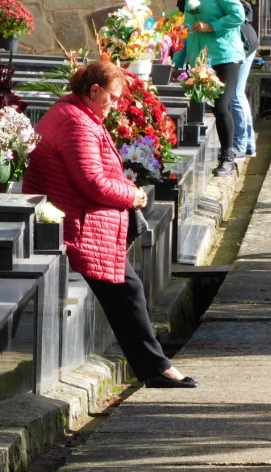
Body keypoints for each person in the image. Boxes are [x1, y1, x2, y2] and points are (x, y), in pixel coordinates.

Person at [22, 61, 198, 389]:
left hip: (78, 217)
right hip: (78, 224)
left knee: (127, 290)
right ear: (93, 91)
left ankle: (155, 367)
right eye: (113, 98)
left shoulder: (76, 113)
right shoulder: (76, 122)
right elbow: (91, 181)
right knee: (127, 291)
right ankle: (157, 369)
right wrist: (131, 196)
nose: (115, 105)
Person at [174, 0, 245, 177]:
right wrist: (177, 62)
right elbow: (186, 30)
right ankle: (225, 152)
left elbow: (238, 15)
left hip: (225, 56)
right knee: (214, 105)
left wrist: (210, 26)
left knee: (221, 105)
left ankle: (227, 156)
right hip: (202, 59)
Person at [232, 0, 260, 159]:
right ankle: (248, 144)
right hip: (246, 40)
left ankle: (241, 145)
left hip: (242, 43)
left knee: (235, 94)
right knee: (238, 93)